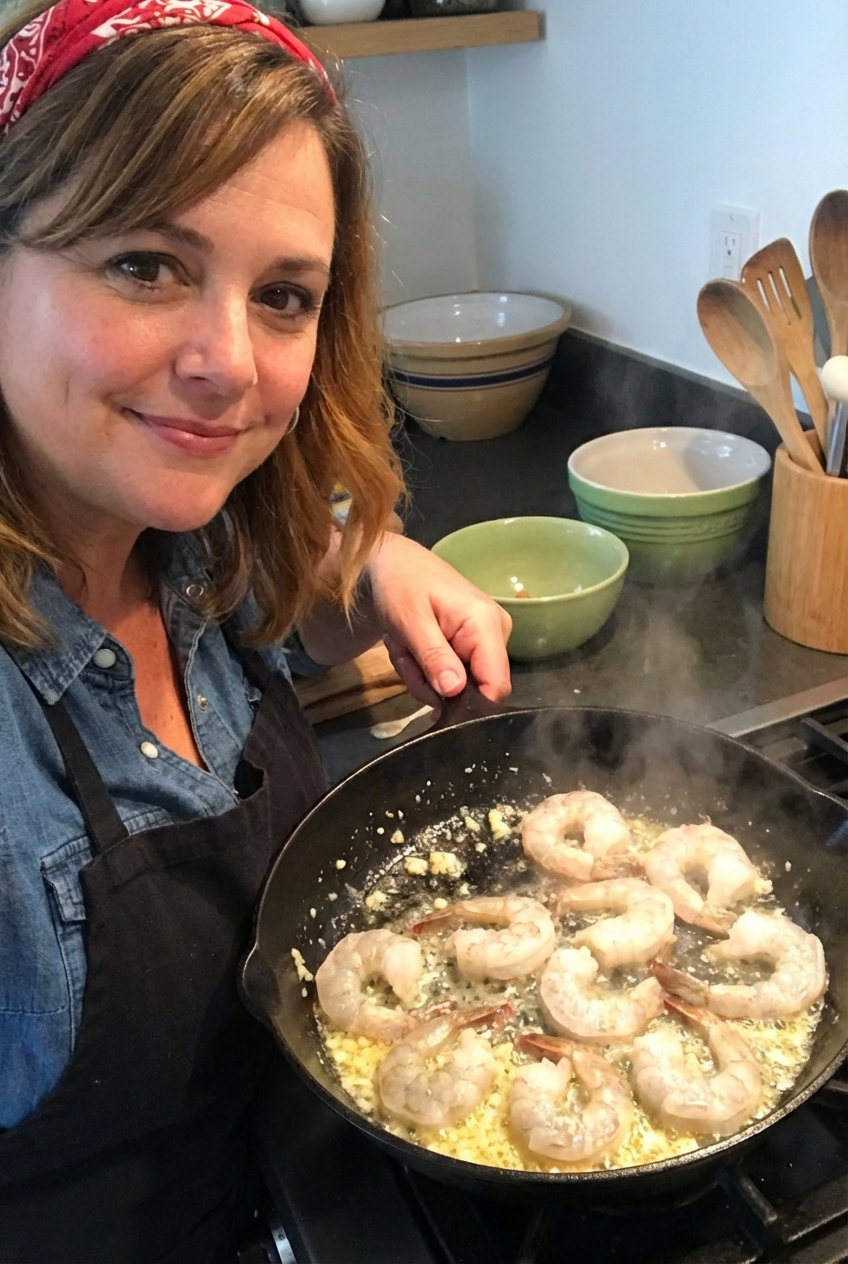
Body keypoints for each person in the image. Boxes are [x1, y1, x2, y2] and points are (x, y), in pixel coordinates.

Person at [0, 2, 511, 1258]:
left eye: (283, 295)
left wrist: (373, 560)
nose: (228, 361)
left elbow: (268, 589)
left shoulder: (177, 537)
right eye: (144, 265)